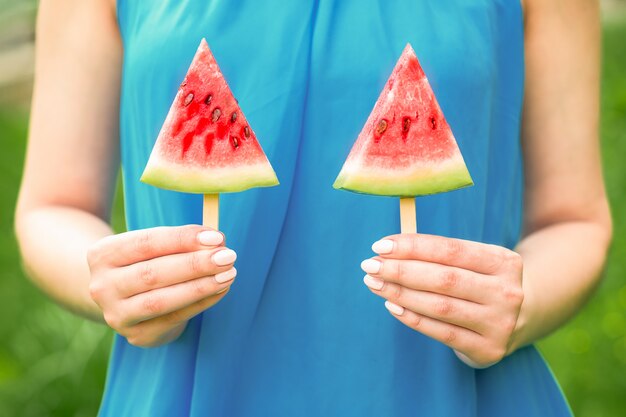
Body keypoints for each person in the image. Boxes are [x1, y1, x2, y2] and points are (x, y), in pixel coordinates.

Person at [15, 0, 612, 416]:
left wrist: (523, 300)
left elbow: (576, 219)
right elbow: (51, 207)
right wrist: (108, 279)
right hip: (186, 393)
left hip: (451, 393)